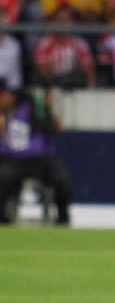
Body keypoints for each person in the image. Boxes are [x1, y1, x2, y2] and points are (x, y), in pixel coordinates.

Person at [0, 80, 72, 225]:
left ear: (7, 95)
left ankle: (63, 218)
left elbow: (57, 127)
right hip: (12, 161)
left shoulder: (32, 107)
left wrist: (47, 109)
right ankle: (3, 219)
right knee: (3, 177)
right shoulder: (3, 117)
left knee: (62, 179)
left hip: (40, 159)